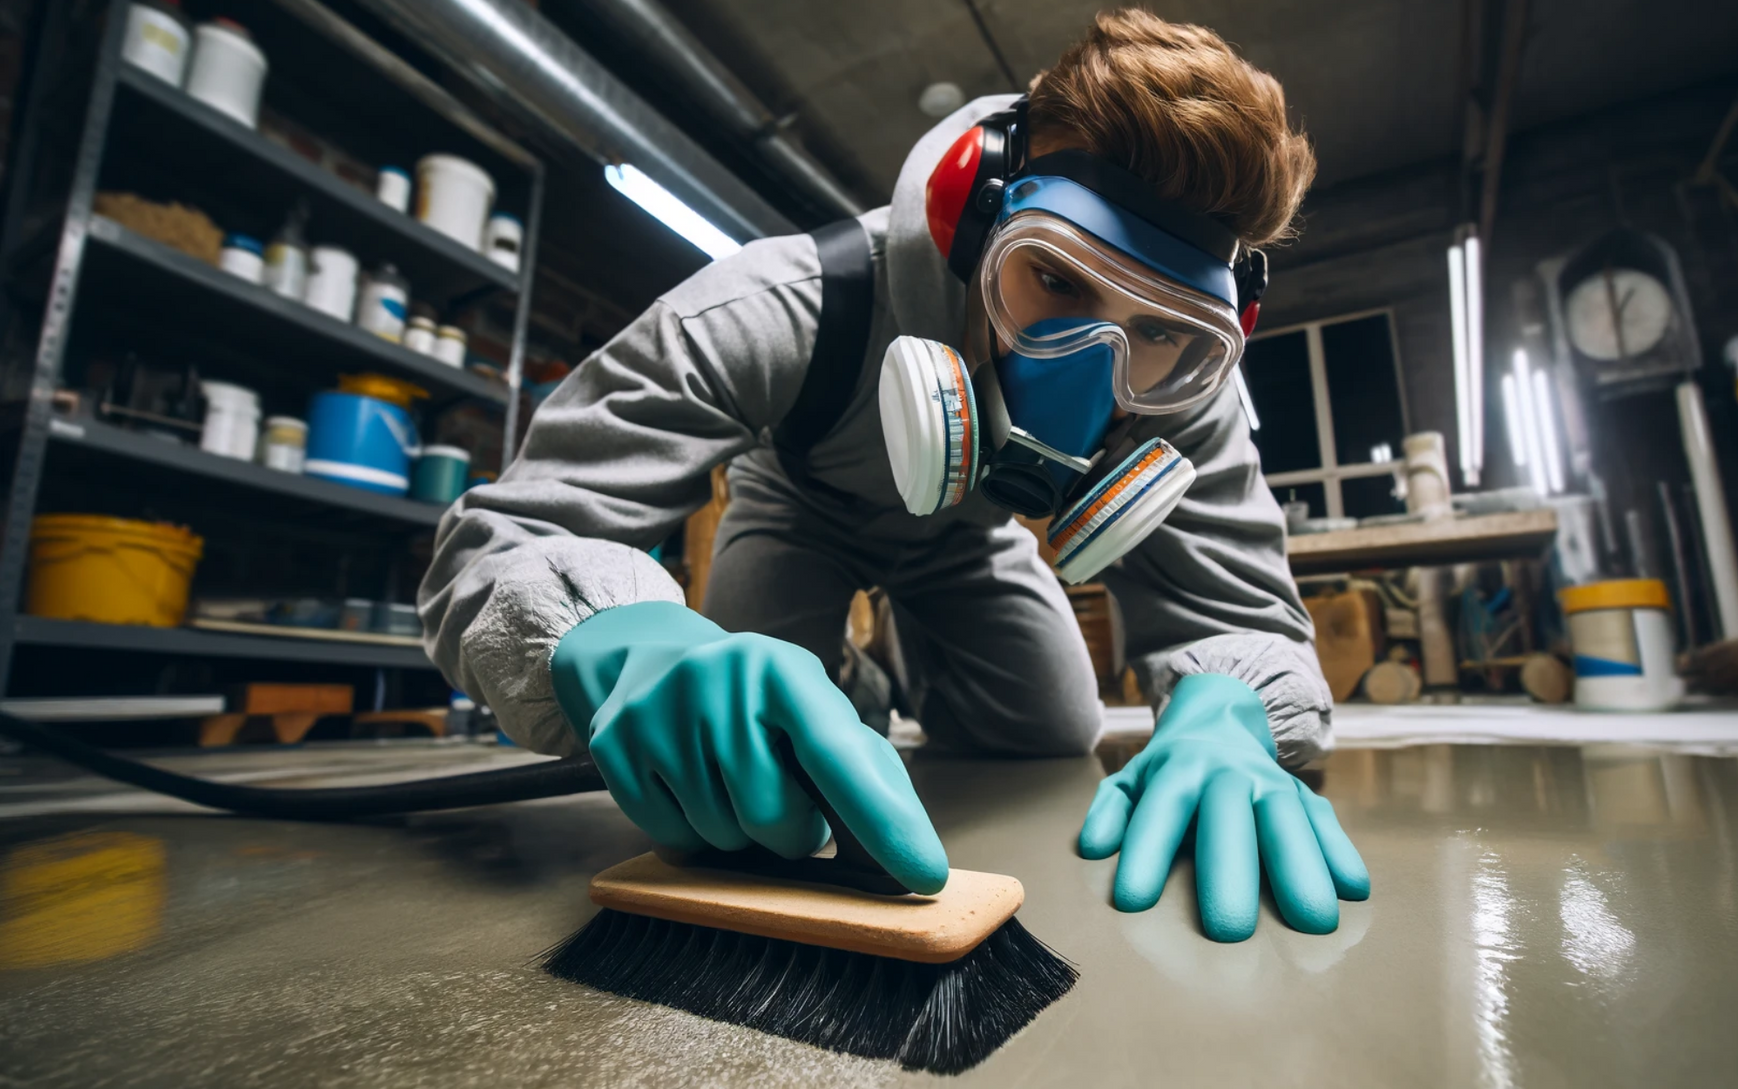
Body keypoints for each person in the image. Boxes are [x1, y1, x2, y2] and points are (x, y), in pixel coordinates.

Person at [421, 10, 1369, 942]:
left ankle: (873, 675)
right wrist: (617, 637)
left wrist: (1235, 709)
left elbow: (1243, 615)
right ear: (970, 216)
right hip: (800, 508)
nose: (1091, 367)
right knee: (754, 766)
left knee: (1047, 729)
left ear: (1215, 333)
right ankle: (844, 679)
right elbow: (500, 542)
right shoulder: (778, 305)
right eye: (1057, 279)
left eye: (1161, 327)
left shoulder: (1177, 391)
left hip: (969, 536)